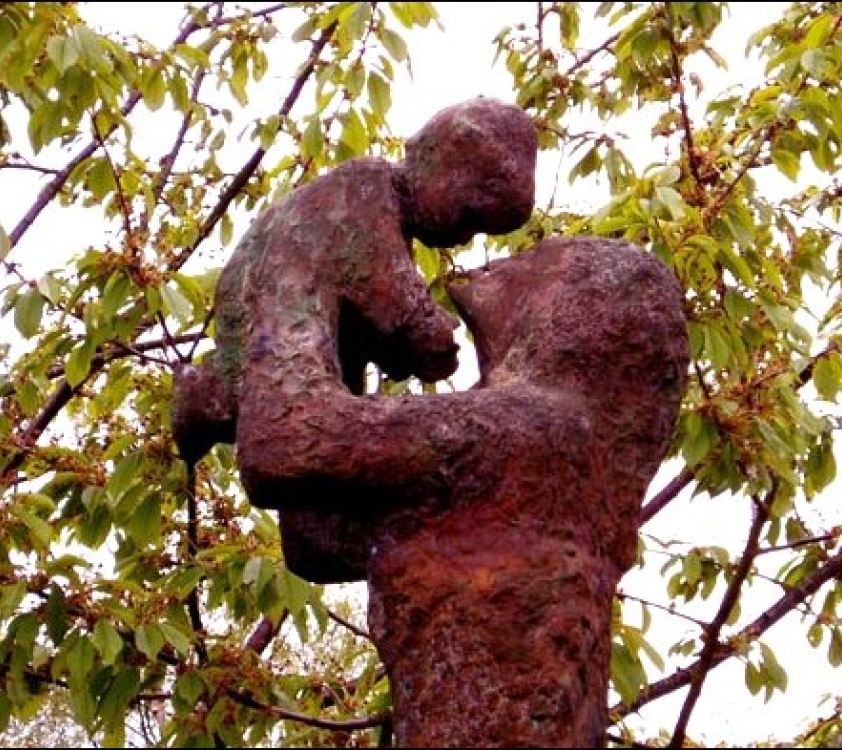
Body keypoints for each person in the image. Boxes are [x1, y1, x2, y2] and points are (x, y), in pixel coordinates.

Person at [238, 236, 690, 747]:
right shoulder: (555, 454)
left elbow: (285, 443)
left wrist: (296, 281)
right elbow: (318, 539)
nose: (493, 272)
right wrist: (347, 342)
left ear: (578, 314)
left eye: (534, 269)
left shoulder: (532, 428)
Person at [171, 98, 538, 465]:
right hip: (287, 369)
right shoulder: (363, 191)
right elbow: (401, 310)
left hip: (295, 355)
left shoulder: (367, 206)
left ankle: (214, 396)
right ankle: (211, 399)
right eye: (468, 218)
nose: (464, 238)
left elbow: (380, 325)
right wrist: (438, 337)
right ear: (445, 166)